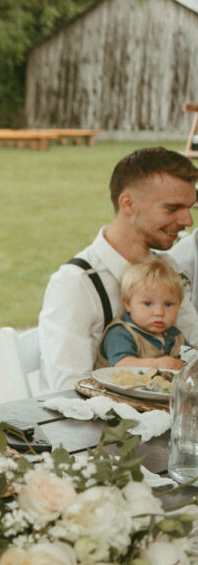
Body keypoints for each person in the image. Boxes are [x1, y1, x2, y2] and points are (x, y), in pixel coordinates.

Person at [39, 146, 198, 391]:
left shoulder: (168, 267)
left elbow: (194, 349)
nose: (188, 221)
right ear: (128, 204)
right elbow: (69, 391)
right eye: (172, 208)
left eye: (189, 208)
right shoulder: (76, 283)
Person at [96, 258, 186, 369]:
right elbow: (121, 364)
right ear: (128, 303)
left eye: (168, 304)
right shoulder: (120, 333)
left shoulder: (174, 334)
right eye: (148, 304)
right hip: (115, 385)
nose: (159, 312)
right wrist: (156, 364)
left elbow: (189, 357)